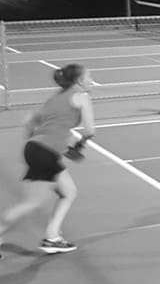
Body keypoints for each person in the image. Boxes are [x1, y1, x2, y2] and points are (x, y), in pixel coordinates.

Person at [0, 64, 95, 260]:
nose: (91, 81)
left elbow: (29, 120)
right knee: (32, 202)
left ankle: (52, 237)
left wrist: (40, 142)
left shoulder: (56, 97)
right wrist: (80, 143)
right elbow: (90, 130)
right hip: (45, 152)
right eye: (88, 77)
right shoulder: (82, 97)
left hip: (35, 148)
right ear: (78, 81)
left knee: (68, 192)